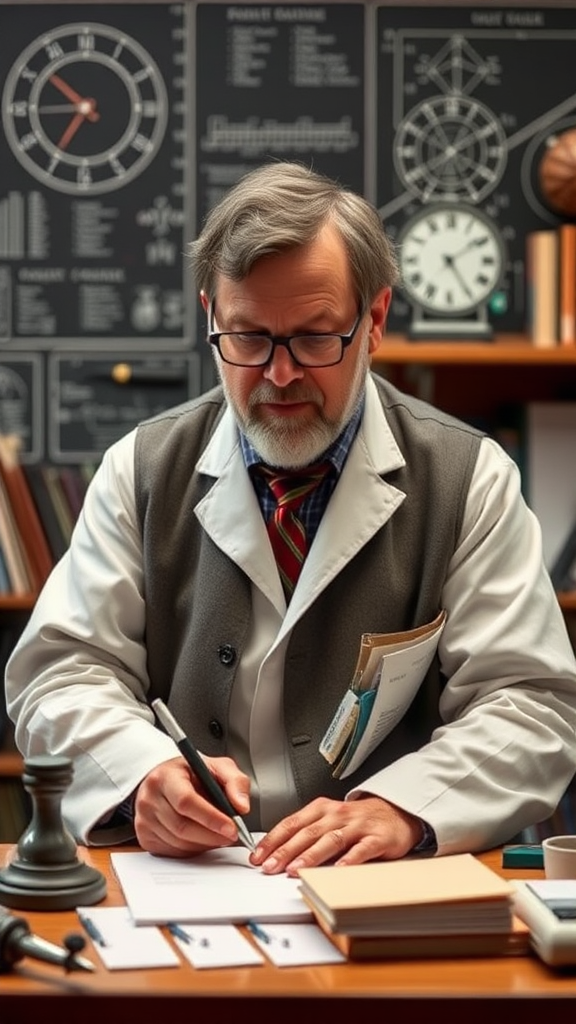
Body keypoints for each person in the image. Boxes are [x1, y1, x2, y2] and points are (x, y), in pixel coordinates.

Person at [5, 161, 576, 876]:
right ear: (211, 314)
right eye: (247, 339)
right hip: (190, 886)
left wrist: (398, 809)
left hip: (382, 890)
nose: (279, 376)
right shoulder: (140, 468)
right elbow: (61, 671)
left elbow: (530, 703)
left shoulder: (470, 479)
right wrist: (140, 771)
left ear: (373, 319)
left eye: (313, 338)